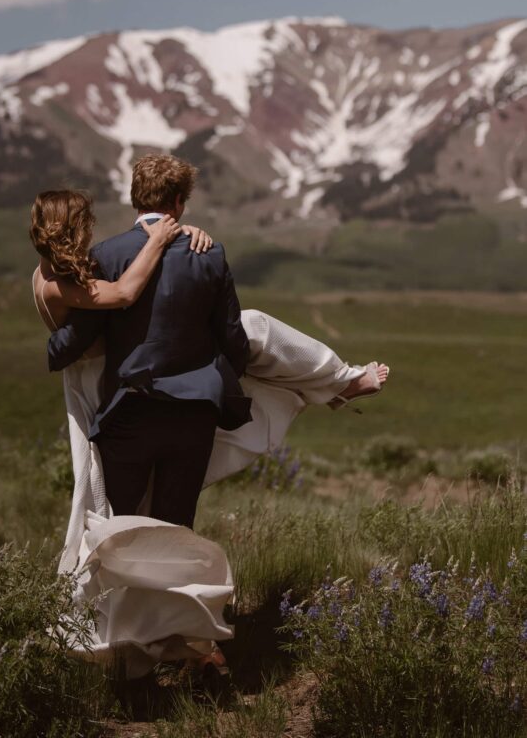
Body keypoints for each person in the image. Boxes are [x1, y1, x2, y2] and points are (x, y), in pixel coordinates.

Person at [30, 156, 389, 677]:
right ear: (179, 202)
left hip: (129, 415)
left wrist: (56, 347)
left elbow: (75, 342)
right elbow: (234, 342)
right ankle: (189, 647)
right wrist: (218, 375)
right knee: (176, 529)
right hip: (193, 415)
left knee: (120, 534)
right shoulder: (208, 252)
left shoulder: (104, 257)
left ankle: (129, 663)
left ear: (136, 199)